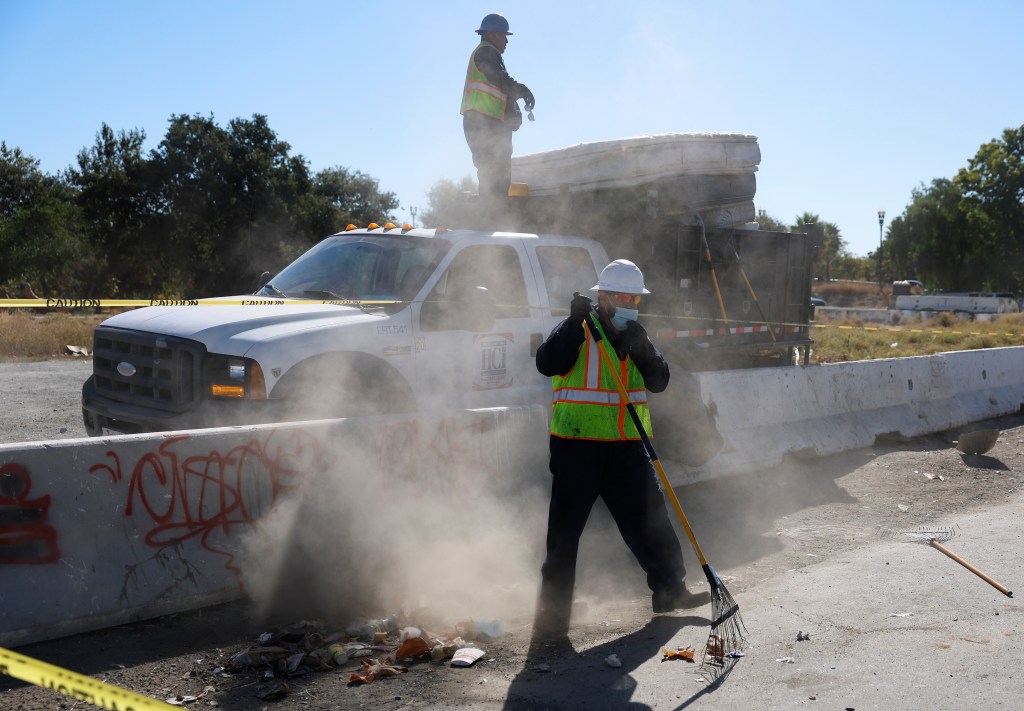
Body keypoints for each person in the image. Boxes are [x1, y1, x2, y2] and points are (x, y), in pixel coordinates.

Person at [533, 259, 711, 639]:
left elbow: (660, 381)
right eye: (622, 297)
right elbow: (547, 364)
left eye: (635, 298)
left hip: (627, 446)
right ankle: (552, 616)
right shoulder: (577, 328)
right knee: (564, 534)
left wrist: (643, 350)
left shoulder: (637, 336)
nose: (630, 304)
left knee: (652, 519)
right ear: (603, 297)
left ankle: (671, 590)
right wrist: (571, 326)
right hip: (577, 446)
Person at [460, 13, 535, 199]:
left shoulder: (487, 54)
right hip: (483, 123)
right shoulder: (486, 52)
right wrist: (522, 90)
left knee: (495, 176)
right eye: (504, 36)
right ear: (494, 34)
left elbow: (499, 89)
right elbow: (500, 80)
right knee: (494, 176)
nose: (506, 42)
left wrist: (513, 112)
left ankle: (492, 214)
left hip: (485, 123)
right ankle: (492, 214)